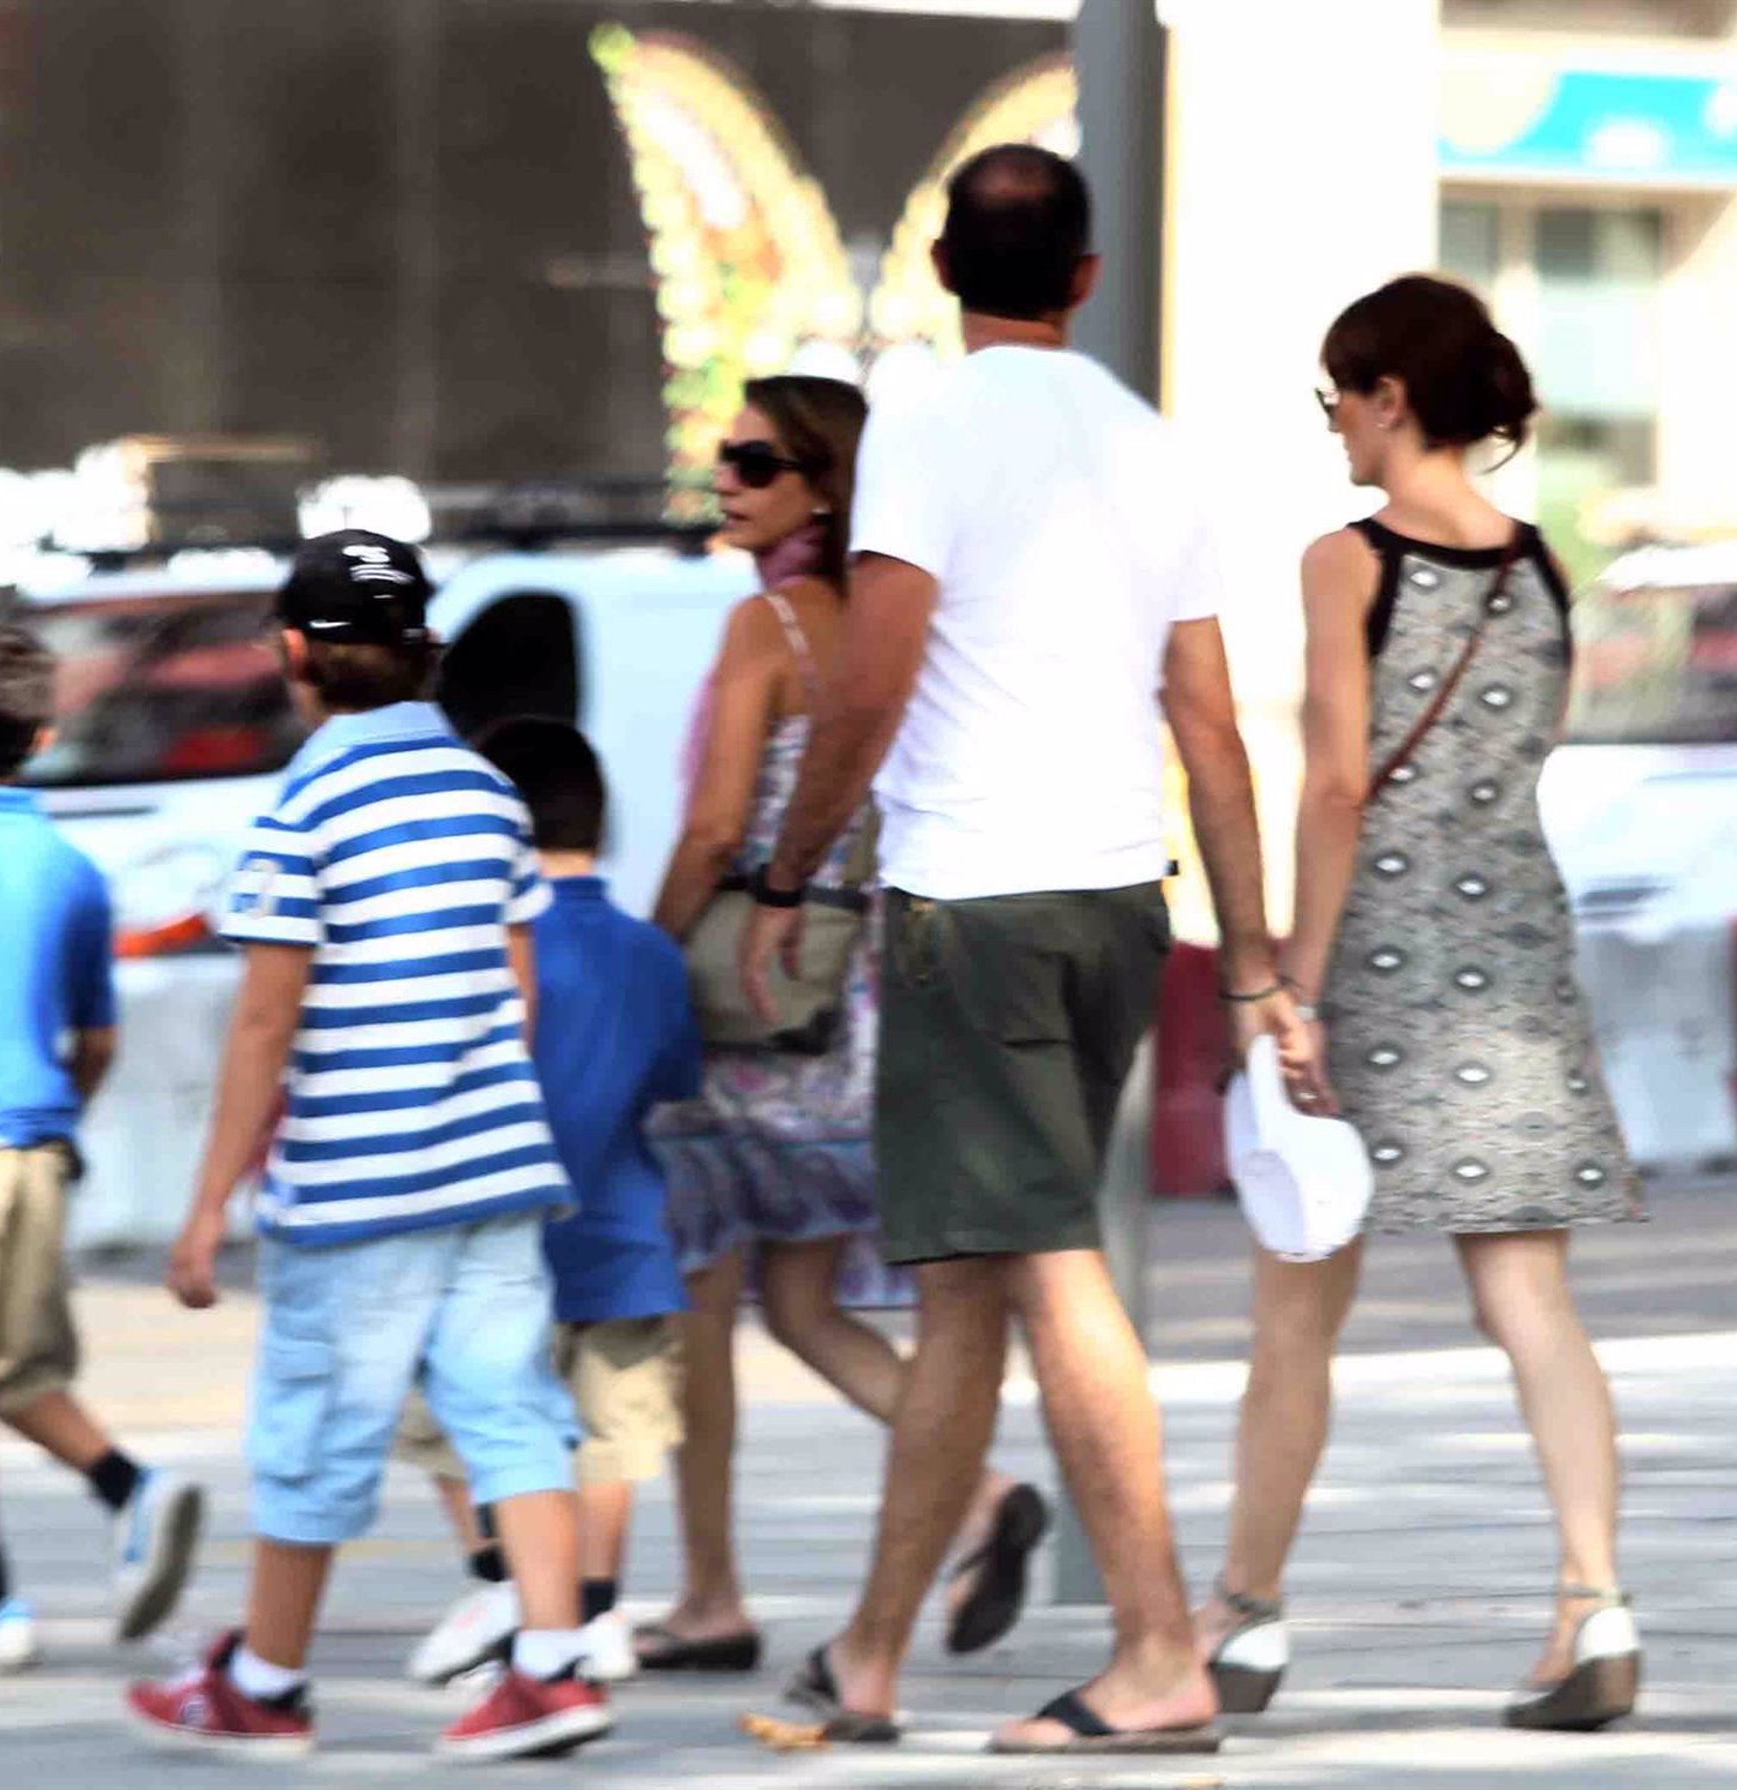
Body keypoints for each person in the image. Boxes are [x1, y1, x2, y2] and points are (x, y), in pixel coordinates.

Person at [740, 146, 1304, 1755]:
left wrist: (791, 873)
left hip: (973, 906)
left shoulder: (922, 430)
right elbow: (1211, 725)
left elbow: (871, 685)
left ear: (939, 266)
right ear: (1085, 277)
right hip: (1116, 901)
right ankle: (867, 1654)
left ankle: (1155, 1651)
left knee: (1045, 1260)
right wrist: (1249, 957)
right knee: (967, 1288)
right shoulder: (1148, 443)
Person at [1195, 275, 1645, 1733]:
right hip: (1517, 949)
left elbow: (1338, 780)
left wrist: (1295, 982)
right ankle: (1594, 1597)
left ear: (1391, 397)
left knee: (1296, 1306)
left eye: (1338, 391)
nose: (1331, 418)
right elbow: (1525, 754)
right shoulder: (1539, 562)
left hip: (1376, 955)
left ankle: (1244, 1616)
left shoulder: (1348, 558)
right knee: (1530, 1298)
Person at [125, 532, 609, 1763]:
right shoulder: (488, 794)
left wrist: (206, 1204)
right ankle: (554, 1664)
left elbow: (264, 1023)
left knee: (314, 1431)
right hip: (493, 1164)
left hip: (359, 1181)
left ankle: (266, 1682)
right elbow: (521, 988)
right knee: (514, 1412)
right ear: (424, 647)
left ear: (294, 653)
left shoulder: (301, 808)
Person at [643, 374, 1044, 1674]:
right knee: (804, 1300)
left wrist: (644, 957)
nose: (727, 477)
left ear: (822, 486)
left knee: (701, 1300)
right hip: (851, 1005)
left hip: (745, 1000)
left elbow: (713, 827)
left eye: (756, 461)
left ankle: (711, 1594)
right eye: (724, 455)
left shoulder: (766, 627)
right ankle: (984, 1492)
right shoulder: (888, 626)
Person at [0, 625, 205, 1671]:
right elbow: (97, 1038)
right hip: (36, 1147)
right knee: (14, 1369)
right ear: (42, 736)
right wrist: (53, 1118)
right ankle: (135, 1488)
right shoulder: (71, 868)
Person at [398, 718, 702, 1689]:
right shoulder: (652, 952)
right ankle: (597, 1609)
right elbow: (675, 1077)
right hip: (623, 1235)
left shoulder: (486, 943)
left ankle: (503, 1584)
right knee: (610, 1433)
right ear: (601, 824)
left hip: (492, 1234)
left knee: (453, 1417)